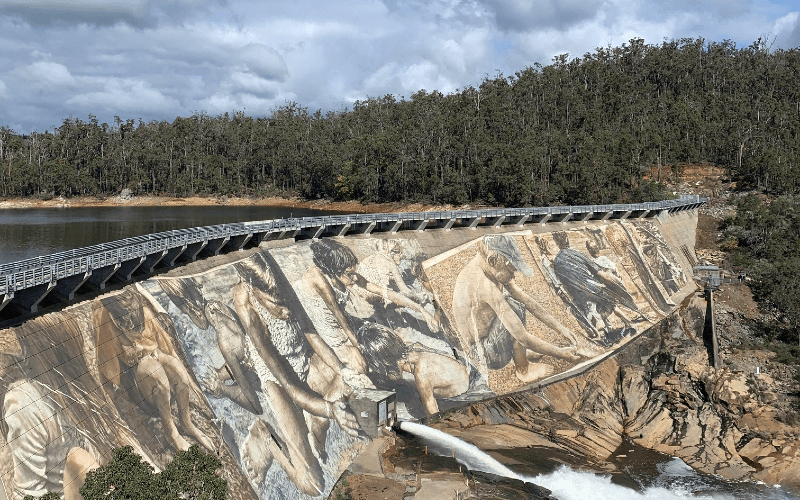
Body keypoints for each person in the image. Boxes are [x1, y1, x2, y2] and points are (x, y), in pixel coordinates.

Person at [452, 234, 595, 384]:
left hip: (488, 339)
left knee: (514, 302)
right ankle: (523, 369)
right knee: (513, 307)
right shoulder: (484, 285)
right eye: (511, 271)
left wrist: (560, 328)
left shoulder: (488, 267)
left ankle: (521, 352)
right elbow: (522, 336)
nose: (513, 276)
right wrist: (561, 353)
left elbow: (527, 300)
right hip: (485, 352)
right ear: (493, 260)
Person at [93, 285, 214, 453]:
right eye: (134, 331)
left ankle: (186, 423)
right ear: (117, 322)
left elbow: (168, 350)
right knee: (154, 371)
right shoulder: (105, 320)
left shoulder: (139, 307)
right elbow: (106, 369)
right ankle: (171, 433)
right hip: (137, 381)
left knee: (179, 373)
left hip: (154, 363)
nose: (140, 333)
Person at [356, 323, 473, 415]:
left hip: (465, 394)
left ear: (385, 362)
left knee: (407, 408)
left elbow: (434, 416)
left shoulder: (422, 376)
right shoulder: (412, 346)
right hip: (465, 373)